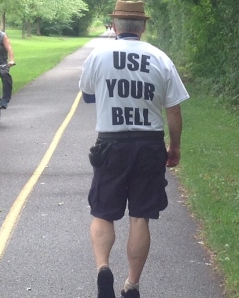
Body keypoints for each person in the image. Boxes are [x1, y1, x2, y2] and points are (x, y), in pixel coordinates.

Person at [79, 1, 189, 298]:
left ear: (114, 25)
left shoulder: (99, 56)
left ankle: (103, 269)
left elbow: (88, 96)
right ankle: (132, 284)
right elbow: (174, 111)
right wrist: (174, 146)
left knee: (103, 212)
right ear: (143, 26)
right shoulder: (160, 58)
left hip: (111, 144)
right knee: (140, 216)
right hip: (149, 144)